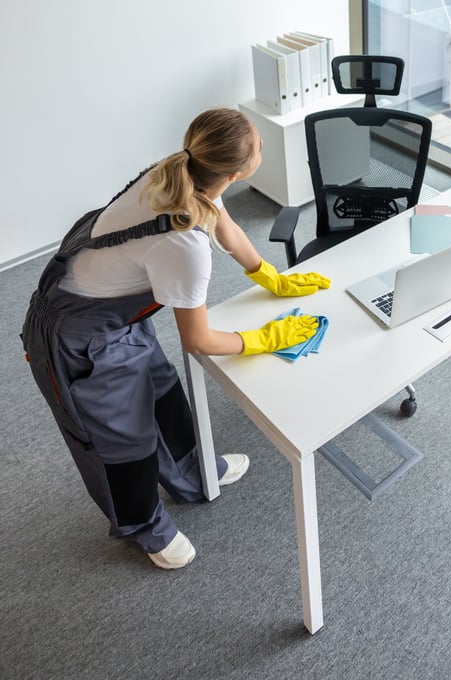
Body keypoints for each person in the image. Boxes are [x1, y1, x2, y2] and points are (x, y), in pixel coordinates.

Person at [22, 108, 330, 570]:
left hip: (116, 314)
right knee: (121, 437)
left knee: (162, 392)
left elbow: (226, 227)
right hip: (74, 335)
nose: (262, 147)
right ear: (235, 172)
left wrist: (269, 276)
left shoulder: (184, 171)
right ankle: (146, 527)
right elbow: (199, 340)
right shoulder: (183, 242)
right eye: (258, 146)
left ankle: (194, 472)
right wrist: (265, 338)